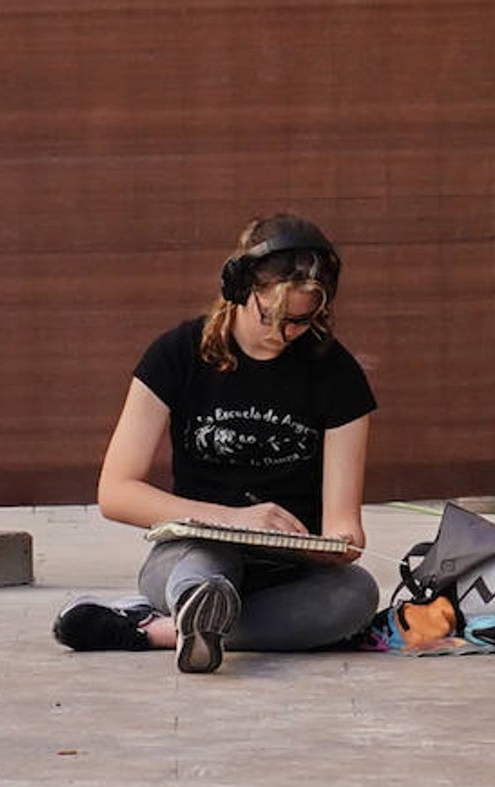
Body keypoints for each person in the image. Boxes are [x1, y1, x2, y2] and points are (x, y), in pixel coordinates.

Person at [52, 213, 379, 674]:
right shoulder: (176, 355)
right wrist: (237, 521)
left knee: (355, 596)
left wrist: (323, 545)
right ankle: (196, 609)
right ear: (240, 288)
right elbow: (115, 491)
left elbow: (348, 534)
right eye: (272, 316)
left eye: (301, 322)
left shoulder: (337, 375)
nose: (283, 335)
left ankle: (158, 630)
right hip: (197, 557)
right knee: (206, 566)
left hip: (286, 573)